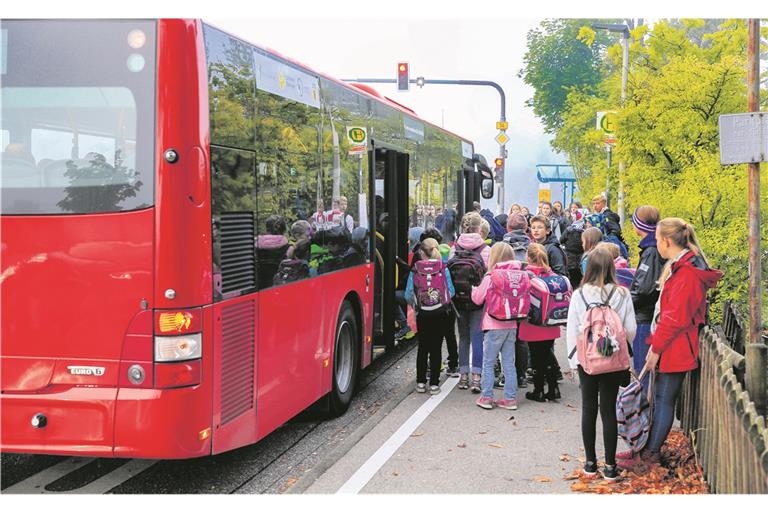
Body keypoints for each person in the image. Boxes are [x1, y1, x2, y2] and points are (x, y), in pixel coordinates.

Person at [618, 218, 722, 471]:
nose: (656, 244)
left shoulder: (686, 272)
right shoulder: (682, 266)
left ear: (666, 241)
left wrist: (655, 348)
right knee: (660, 398)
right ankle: (645, 450)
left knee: (664, 399)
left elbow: (674, 317)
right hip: (674, 343)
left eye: (656, 240)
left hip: (674, 345)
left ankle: (650, 455)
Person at [566, 247, 637, 481]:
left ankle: (589, 464)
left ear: (589, 268)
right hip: (614, 360)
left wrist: (573, 359)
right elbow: (631, 330)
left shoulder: (579, 295)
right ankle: (610, 466)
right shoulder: (623, 294)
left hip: (586, 359)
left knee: (588, 408)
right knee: (608, 409)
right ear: (612, 267)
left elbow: (573, 329)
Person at [470, 243, 520, 410]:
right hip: (512, 324)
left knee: (489, 362)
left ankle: (486, 397)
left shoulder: (491, 276)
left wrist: (473, 289)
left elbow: (477, 299)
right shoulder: (517, 275)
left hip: (493, 325)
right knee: (509, 363)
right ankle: (510, 399)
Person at [405, 237, 456, 395]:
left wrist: (418, 306)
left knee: (423, 348)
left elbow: (408, 294)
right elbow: (451, 292)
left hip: (423, 314)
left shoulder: (416, 269)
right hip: (440, 314)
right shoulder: (443, 269)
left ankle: (420, 382)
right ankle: (434, 384)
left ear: (421, 252)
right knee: (436, 348)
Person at [449, 211, 491, 393]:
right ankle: (477, 377)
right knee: (478, 337)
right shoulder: (485, 250)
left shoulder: (454, 248)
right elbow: (489, 275)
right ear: (479, 228)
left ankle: (463, 375)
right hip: (477, 301)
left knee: (463, 337)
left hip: (458, 300)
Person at [520, 243, 564, 402]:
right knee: (547, 353)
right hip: (551, 321)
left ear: (529, 258)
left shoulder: (527, 275)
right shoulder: (551, 274)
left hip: (533, 324)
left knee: (537, 357)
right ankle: (553, 388)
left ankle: (538, 390)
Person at [628, 206, 665, 382]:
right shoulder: (653, 247)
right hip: (647, 314)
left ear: (638, 225)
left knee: (643, 372)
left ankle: (642, 408)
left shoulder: (651, 251)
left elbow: (644, 289)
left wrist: (626, 304)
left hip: (644, 317)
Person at [256, 215, 290, 289]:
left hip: (259, 285)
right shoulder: (288, 246)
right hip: (279, 285)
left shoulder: (256, 244)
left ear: (267, 227)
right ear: (283, 229)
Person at [560, 208, 589, 288]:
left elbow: (561, 240)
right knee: (580, 277)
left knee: (572, 277)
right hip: (581, 257)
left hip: (570, 257)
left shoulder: (569, 229)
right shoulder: (586, 230)